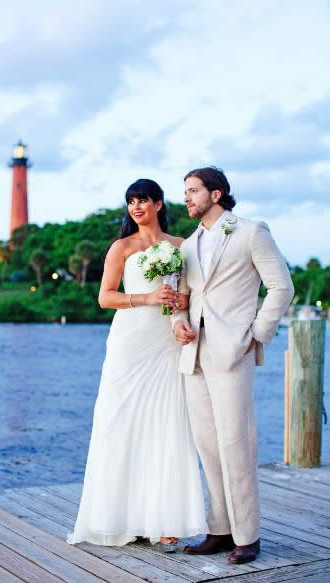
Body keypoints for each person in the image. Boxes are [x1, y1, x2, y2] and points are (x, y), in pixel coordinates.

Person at [67, 178, 208, 550]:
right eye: (131, 201)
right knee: (122, 421)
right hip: (130, 344)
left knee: (167, 424)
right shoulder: (122, 247)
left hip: (165, 342)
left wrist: (181, 316)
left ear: (159, 204)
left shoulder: (181, 246)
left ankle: (165, 517)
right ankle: (120, 516)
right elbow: (104, 297)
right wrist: (147, 297)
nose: (136, 207)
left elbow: (188, 296)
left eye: (142, 200)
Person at [173, 166, 294, 564]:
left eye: (193, 191)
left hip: (233, 350)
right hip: (195, 354)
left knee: (236, 444)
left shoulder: (250, 231)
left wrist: (256, 333)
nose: (187, 198)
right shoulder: (188, 245)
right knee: (208, 446)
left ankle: (248, 536)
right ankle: (219, 530)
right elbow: (183, 297)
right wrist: (179, 324)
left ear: (217, 193)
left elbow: (281, 286)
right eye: (185, 191)